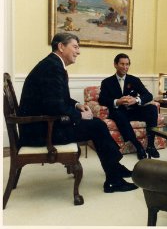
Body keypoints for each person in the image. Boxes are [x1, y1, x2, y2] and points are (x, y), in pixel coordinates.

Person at [18, 33, 137, 193]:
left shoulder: (52, 64)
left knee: (97, 124)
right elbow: (54, 107)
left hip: (41, 126)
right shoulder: (53, 68)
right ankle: (114, 179)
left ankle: (114, 168)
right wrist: (80, 116)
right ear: (61, 47)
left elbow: (61, 99)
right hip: (42, 131)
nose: (78, 51)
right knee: (97, 126)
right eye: (75, 46)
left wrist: (78, 105)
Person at [98, 53, 160, 160]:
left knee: (152, 109)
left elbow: (148, 95)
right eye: (122, 64)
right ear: (115, 65)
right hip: (119, 112)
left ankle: (150, 145)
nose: (125, 67)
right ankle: (138, 146)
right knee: (118, 115)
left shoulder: (134, 80)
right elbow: (102, 99)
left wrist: (135, 100)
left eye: (127, 64)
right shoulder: (107, 82)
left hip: (134, 110)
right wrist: (118, 101)